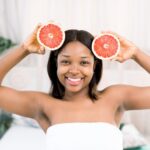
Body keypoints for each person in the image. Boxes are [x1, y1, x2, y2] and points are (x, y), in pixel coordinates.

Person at [0, 24, 150, 150]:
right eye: (65, 62)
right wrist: (24, 49)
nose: (74, 70)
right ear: (56, 64)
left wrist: (135, 53)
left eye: (84, 62)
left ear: (94, 66)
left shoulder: (116, 97)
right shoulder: (42, 104)